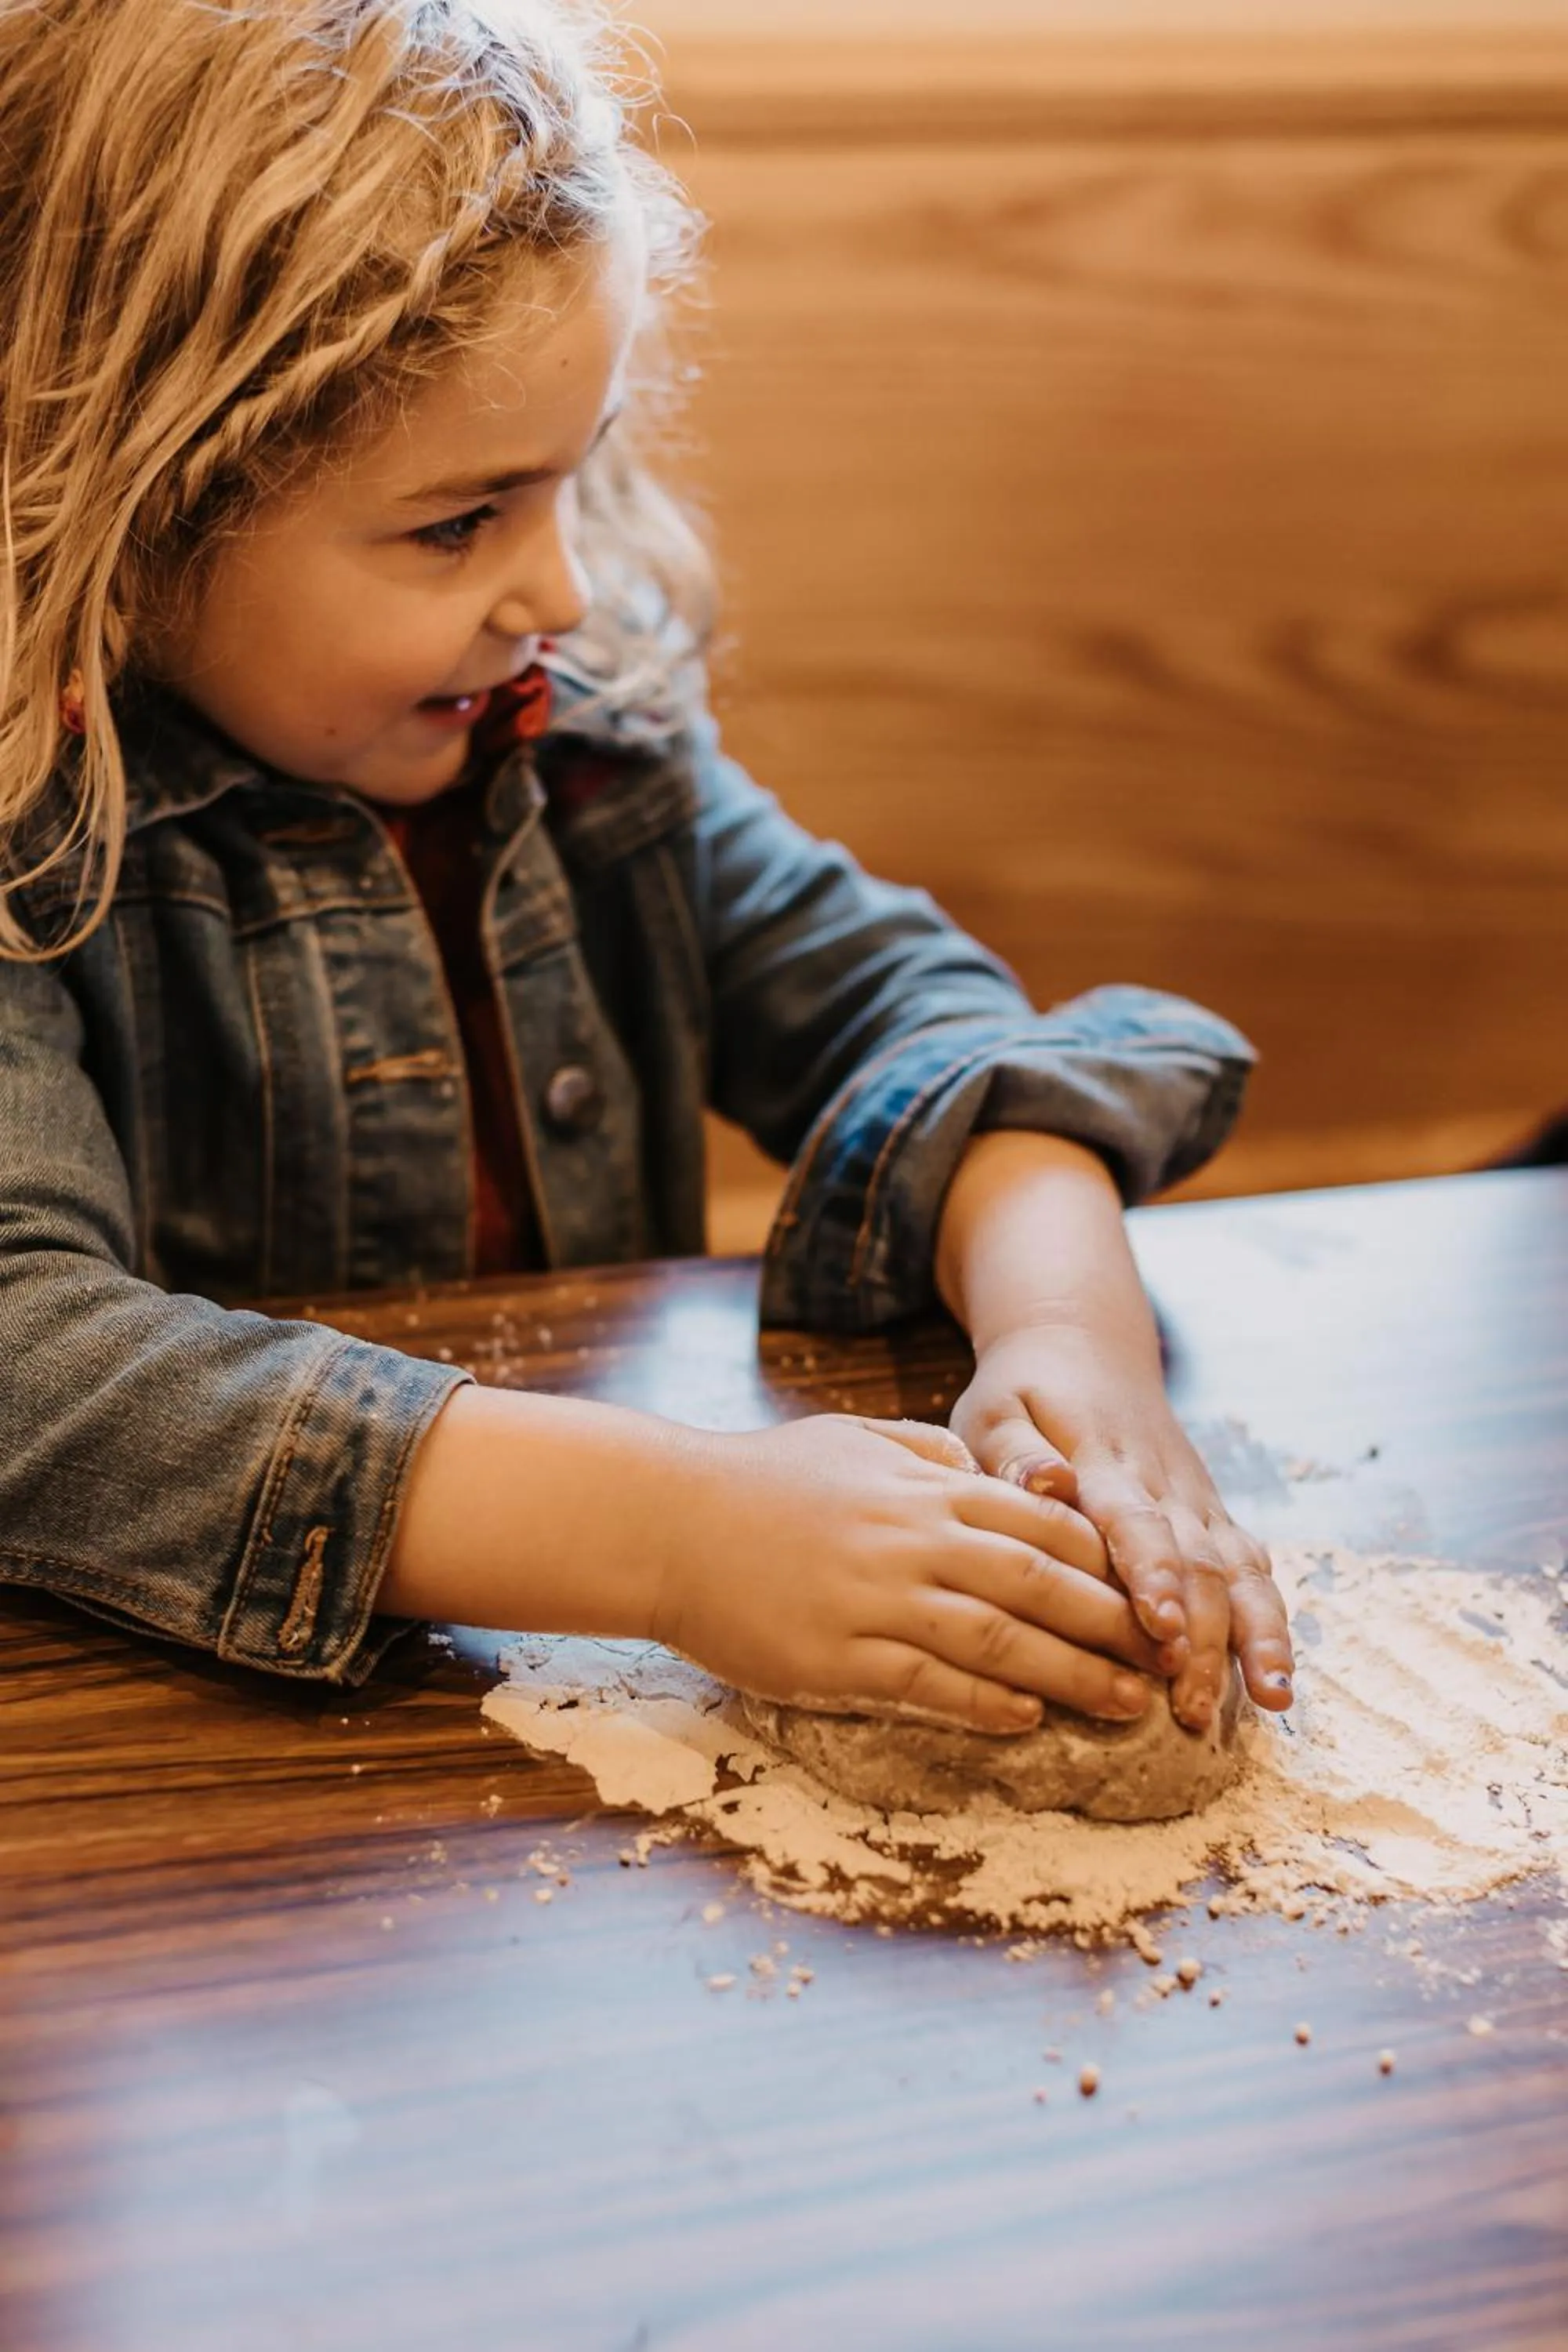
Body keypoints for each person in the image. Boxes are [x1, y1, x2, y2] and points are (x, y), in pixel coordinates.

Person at [0, 0, 1293, 1741]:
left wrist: (1068, 1343)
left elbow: (911, 1012)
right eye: (457, 521)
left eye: (573, 477)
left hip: (545, 1716)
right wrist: (677, 1535)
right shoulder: (37, 840)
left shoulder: (583, 752)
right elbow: (31, 1369)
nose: (560, 593)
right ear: (120, 504)